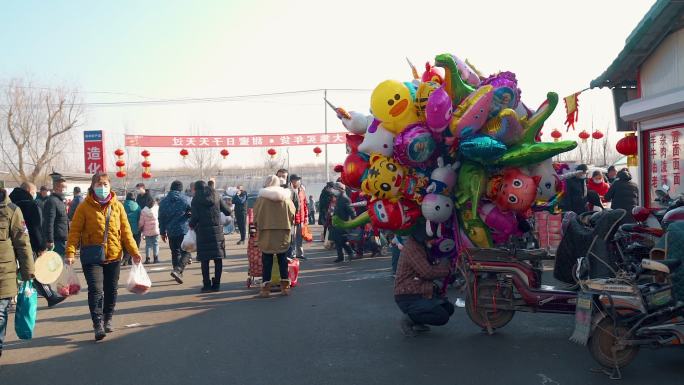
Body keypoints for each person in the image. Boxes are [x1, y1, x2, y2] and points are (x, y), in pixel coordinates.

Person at [65, 172, 141, 341]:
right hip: (92, 257)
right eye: (99, 184)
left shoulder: (117, 206)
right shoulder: (83, 207)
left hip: (114, 256)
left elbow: (126, 232)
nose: (102, 187)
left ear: (110, 186)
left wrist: (134, 252)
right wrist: (70, 252)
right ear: (92, 186)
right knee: (96, 290)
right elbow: (75, 232)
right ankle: (97, 323)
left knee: (111, 290)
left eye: (105, 184)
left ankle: (108, 318)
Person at [9, 182, 64, 307]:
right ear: (29, 191)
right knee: (34, 269)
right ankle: (49, 295)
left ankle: (12, 297)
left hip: (9, 245)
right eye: (34, 192)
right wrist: (41, 246)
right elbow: (35, 228)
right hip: (27, 244)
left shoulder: (9, 204)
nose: (35, 194)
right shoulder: (30, 204)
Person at [394, 226, 454, 337]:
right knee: (442, 317)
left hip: (419, 289)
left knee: (448, 309)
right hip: (408, 294)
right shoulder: (412, 248)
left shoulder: (420, 245)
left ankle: (417, 322)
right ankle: (409, 319)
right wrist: (447, 271)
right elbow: (427, 272)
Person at [0, 187, 35, 358]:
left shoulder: (11, 211)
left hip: (3, 274)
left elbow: (22, 242)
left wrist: (28, 271)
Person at [253, 175, 295, 298]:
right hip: (283, 232)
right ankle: (285, 287)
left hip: (266, 232)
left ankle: (266, 289)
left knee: (267, 260)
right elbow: (292, 214)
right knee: (283, 260)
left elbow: (255, 217)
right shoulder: (286, 198)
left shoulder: (261, 199)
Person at [189, 181, 231, 293]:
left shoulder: (196, 199)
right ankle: (216, 284)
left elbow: (195, 217)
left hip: (203, 233)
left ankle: (207, 285)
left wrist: (191, 225)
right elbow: (228, 211)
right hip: (217, 232)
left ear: (196, 189)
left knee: (205, 260)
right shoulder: (216, 195)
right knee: (218, 259)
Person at [159, 181, 192, 284]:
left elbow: (161, 218)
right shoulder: (185, 199)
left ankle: (177, 272)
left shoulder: (164, 201)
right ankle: (178, 270)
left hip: (171, 231)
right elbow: (191, 212)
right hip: (183, 229)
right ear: (180, 189)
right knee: (186, 252)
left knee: (175, 252)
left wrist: (163, 232)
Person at [42, 177, 69, 256]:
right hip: (56, 240)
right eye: (63, 187)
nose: (65, 189)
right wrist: (50, 240)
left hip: (62, 238)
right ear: (56, 188)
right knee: (57, 264)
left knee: (61, 263)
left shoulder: (60, 201)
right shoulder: (52, 201)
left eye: (65, 187)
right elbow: (49, 222)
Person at [331, 183, 355, 263]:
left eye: (335, 189)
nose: (333, 190)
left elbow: (351, 211)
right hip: (338, 222)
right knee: (338, 240)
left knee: (342, 240)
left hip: (343, 223)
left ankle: (350, 253)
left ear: (340, 189)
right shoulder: (339, 198)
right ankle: (341, 256)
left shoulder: (345, 199)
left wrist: (354, 222)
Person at [289, 174, 309, 260]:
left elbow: (304, 204)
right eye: (296, 180)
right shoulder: (289, 191)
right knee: (292, 237)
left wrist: (306, 217)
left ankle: (300, 253)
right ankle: (292, 253)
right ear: (292, 181)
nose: (298, 181)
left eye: (298, 180)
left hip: (301, 218)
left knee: (299, 237)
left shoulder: (301, 191)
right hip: (292, 219)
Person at [122, 193, 142, 266]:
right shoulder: (137, 206)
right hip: (135, 229)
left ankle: (126, 258)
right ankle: (131, 259)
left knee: (125, 244)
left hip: (125, 229)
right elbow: (140, 218)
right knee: (135, 244)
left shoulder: (122, 206)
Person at [139, 199, 160, 264]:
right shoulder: (156, 210)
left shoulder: (143, 211)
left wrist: (140, 228)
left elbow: (141, 222)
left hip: (147, 231)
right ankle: (155, 258)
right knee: (155, 244)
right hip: (155, 230)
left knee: (148, 245)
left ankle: (147, 259)